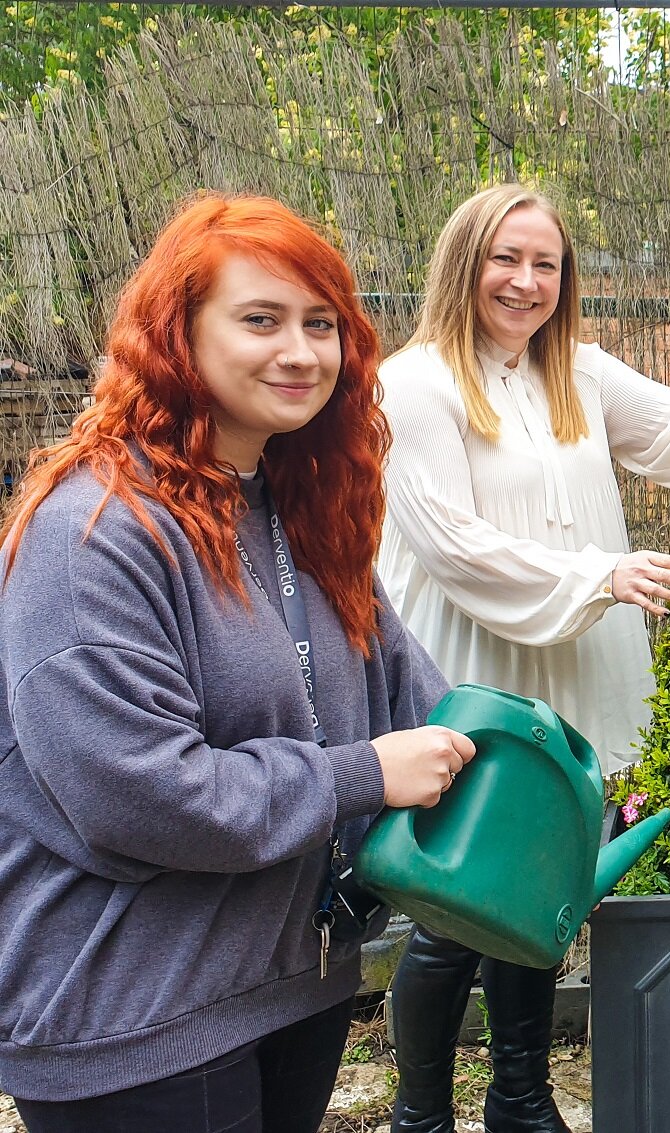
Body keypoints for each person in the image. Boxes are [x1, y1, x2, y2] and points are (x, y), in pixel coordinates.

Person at [0, 194, 473, 1132]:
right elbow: (138, 793)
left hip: (288, 981)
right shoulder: (95, 532)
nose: (299, 351)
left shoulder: (299, 513)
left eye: (321, 324)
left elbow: (415, 697)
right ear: (178, 334)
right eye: (260, 319)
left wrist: (533, 768)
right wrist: (363, 773)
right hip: (135, 1011)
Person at [377, 183, 670, 1133]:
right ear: (463, 264)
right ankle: (419, 1113)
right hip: (474, 672)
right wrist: (603, 575)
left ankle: (520, 1098)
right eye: (506, 260)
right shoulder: (415, 384)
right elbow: (451, 546)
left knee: (546, 885)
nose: (526, 283)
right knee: (455, 904)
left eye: (546, 265)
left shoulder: (582, 374)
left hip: (575, 668)